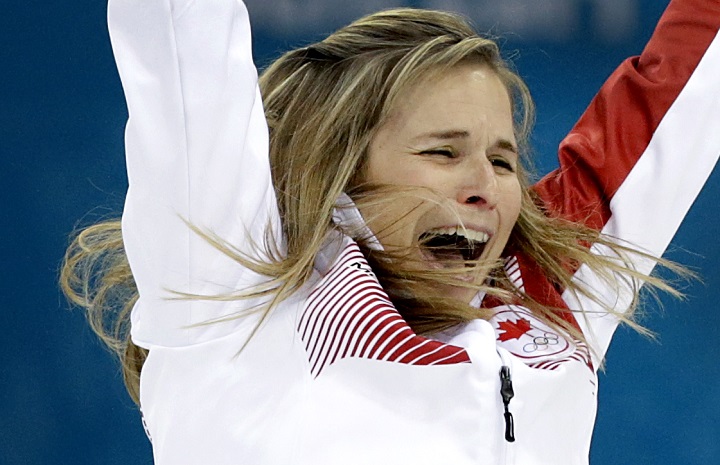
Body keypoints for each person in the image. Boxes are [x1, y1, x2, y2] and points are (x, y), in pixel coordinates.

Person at [60, 0, 720, 463]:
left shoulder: (545, 292)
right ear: (336, 168)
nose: (484, 186)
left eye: (502, 158)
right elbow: (181, 39)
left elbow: (690, 76)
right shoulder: (233, 289)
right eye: (442, 152)